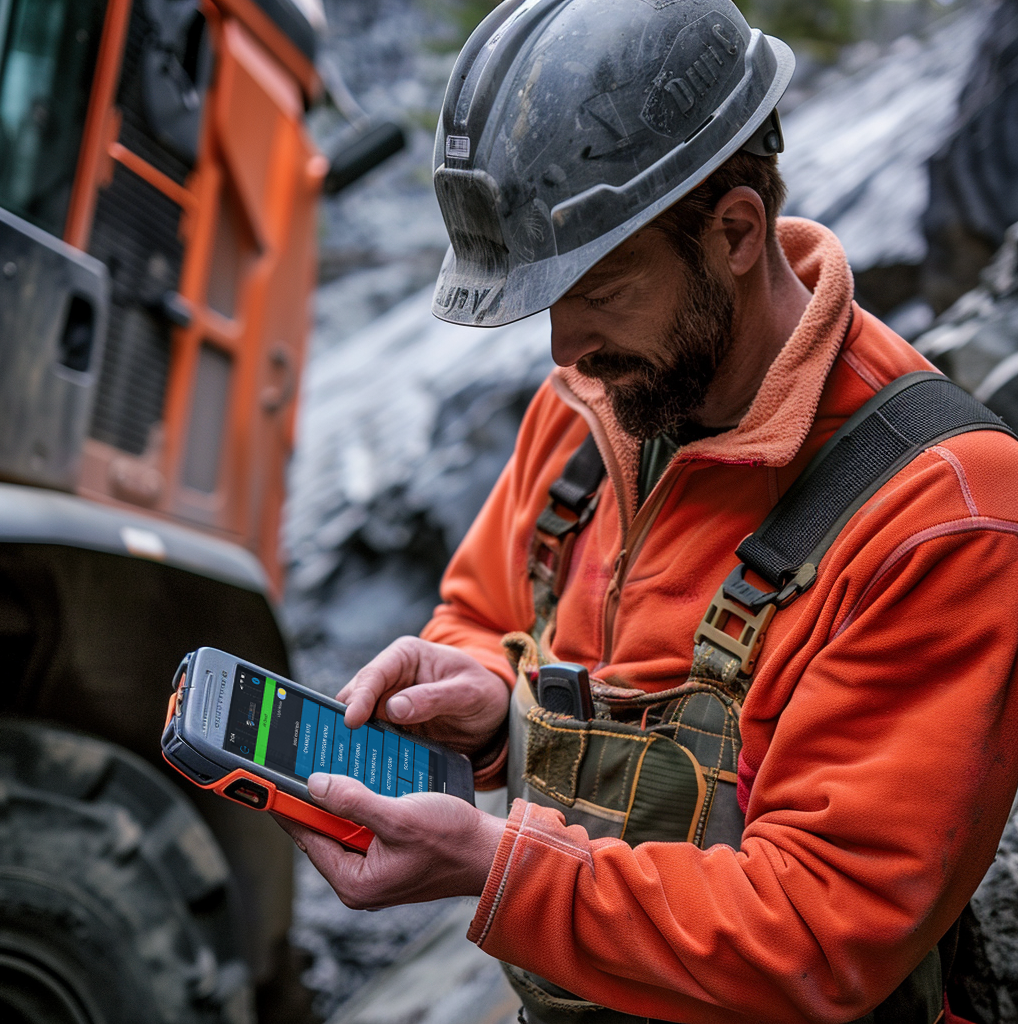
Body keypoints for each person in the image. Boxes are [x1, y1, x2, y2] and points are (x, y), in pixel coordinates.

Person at [277, 2, 1018, 1021]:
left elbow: (818, 930)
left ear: (734, 233)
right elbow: (486, 613)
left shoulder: (942, 515)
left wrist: (500, 873)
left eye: (600, 290)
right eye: (547, 303)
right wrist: (487, 698)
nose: (561, 349)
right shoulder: (592, 412)